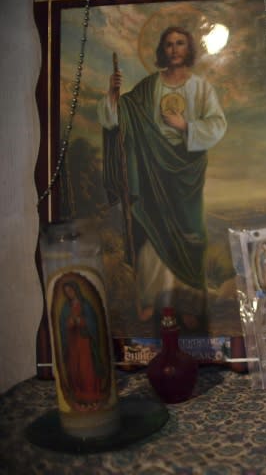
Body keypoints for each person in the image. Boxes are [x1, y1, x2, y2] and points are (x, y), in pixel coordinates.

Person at [98, 26, 227, 333]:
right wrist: (114, 96)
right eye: (168, 44)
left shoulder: (201, 88)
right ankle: (152, 299)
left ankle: (190, 304)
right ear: (161, 50)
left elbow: (217, 125)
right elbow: (120, 117)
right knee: (151, 233)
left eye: (180, 43)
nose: (173, 49)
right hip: (151, 168)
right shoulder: (147, 87)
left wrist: (186, 126)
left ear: (189, 48)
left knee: (190, 234)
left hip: (185, 171)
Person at [59, 281, 109, 405]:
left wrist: (81, 321)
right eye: (66, 292)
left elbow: (92, 323)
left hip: (85, 341)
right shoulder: (66, 307)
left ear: (75, 289)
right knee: (74, 366)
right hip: (72, 342)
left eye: (70, 290)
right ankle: (78, 392)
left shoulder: (85, 305)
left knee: (86, 366)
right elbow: (63, 325)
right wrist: (69, 323)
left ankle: (91, 393)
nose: (69, 294)